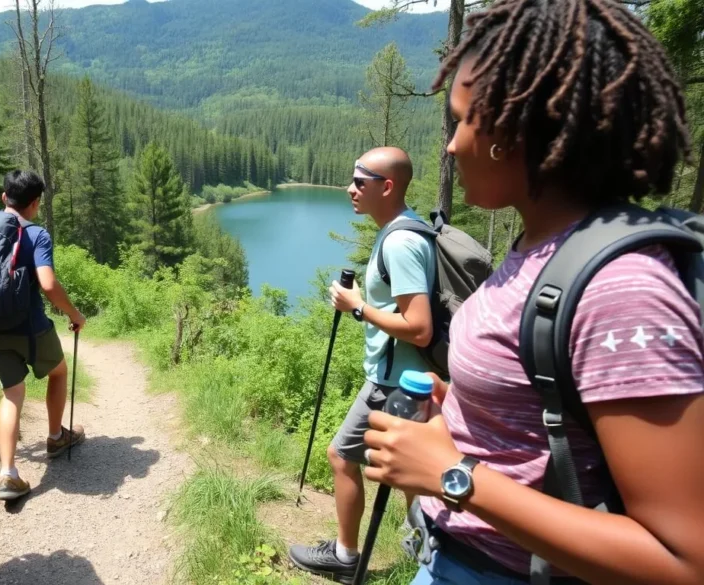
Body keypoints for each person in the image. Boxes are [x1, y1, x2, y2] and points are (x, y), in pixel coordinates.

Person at [359, 1, 704, 584]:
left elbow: (682, 561)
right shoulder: (542, 245)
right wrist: (465, 405)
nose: (451, 146)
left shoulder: (623, 291)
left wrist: (454, 475)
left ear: (513, 133)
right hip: (456, 556)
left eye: (462, 122)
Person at [289, 146, 436, 582]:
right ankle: (429, 551)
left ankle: (345, 556)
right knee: (411, 471)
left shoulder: (401, 242)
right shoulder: (402, 230)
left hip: (394, 381)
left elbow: (419, 327)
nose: (350, 189)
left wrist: (357, 307)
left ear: (386, 187)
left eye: (359, 182)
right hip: (409, 378)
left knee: (340, 456)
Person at [0, 170, 87, 502]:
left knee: (12, 394)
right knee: (58, 372)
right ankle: (56, 437)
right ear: (35, 203)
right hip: (31, 327)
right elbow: (47, 283)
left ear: (4, 197)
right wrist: (75, 315)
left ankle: (8, 474)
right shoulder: (36, 234)